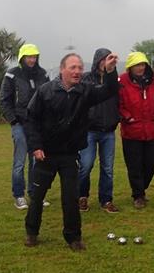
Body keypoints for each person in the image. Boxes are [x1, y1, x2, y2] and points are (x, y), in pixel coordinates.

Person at [24, 52, 119, 251]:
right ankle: (31, 233)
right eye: (72, 67)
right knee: (37, 196)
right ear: (62, 69)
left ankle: (74, 238)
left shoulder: (85, 91)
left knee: (71, 198)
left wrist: (110, 71)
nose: (77, 72)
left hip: (69, 154)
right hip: (46, 154)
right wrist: (36, 147)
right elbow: (31, 119)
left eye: (79, 68)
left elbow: (109, 90)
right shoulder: (45, 91)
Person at [0, 43, 50, 210]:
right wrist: (13, 120)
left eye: (34, 56)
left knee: (37, 160)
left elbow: (48, 97)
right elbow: (4, 99)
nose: (32, 60)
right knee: (19, 162)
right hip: (20, 124)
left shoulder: (43, 74)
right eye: (29, 56)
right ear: (22, 57)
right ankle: (19, 195)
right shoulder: (12, 74)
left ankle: (36, 194)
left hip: (38, 125)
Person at [118, 52, 154, 209]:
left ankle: (141, 189)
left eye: (143, 64)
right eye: (137, 65)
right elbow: (118, 103)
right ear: (130, 67)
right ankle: (138, 195)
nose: (141, 68)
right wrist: (127, 117)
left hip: (151, 130)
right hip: (131, 132)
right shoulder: (122, 82)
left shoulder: (153, 81)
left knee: (150, 165)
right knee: (134, 166)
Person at [78, 48, 121, 213]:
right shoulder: (86, 79)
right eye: (103, 59)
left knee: (107, 168)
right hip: (89, 130)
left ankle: (106, 200)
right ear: (97, 61)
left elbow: (118, 99)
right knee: (86, 165)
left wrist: (117, 118)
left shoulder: (114, 80)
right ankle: (82, 196)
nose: (106, 62)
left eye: (109, 59)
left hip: (108, 130)